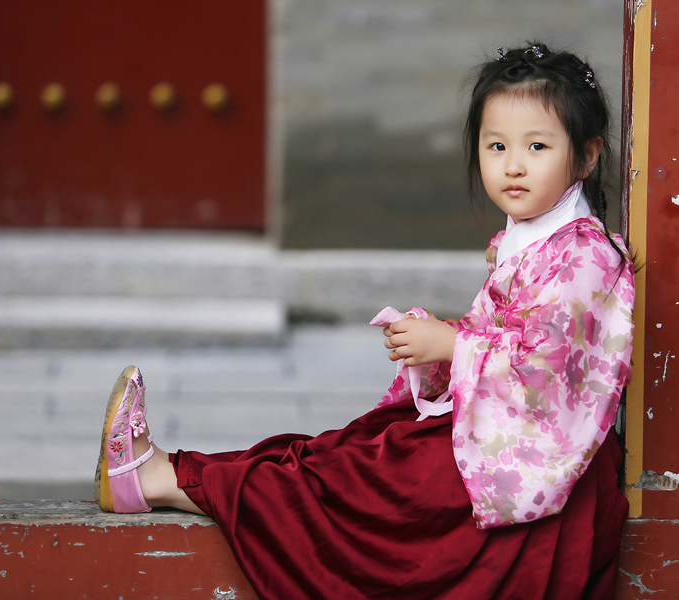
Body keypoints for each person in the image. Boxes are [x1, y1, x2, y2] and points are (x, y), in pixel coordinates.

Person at [95, 42, 636, 599]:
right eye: (496, 145)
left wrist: (450, 343)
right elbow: (504, 342)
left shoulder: (586, 255)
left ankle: (162, 478)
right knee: (342, 452)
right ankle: (165, 474)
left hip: (534, 460)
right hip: (498, 430)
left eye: (537, 146)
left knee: (362, 483)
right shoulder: (534, 241)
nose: (512, 165)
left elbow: (548, 370)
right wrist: (434, 342)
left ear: (588, 156)